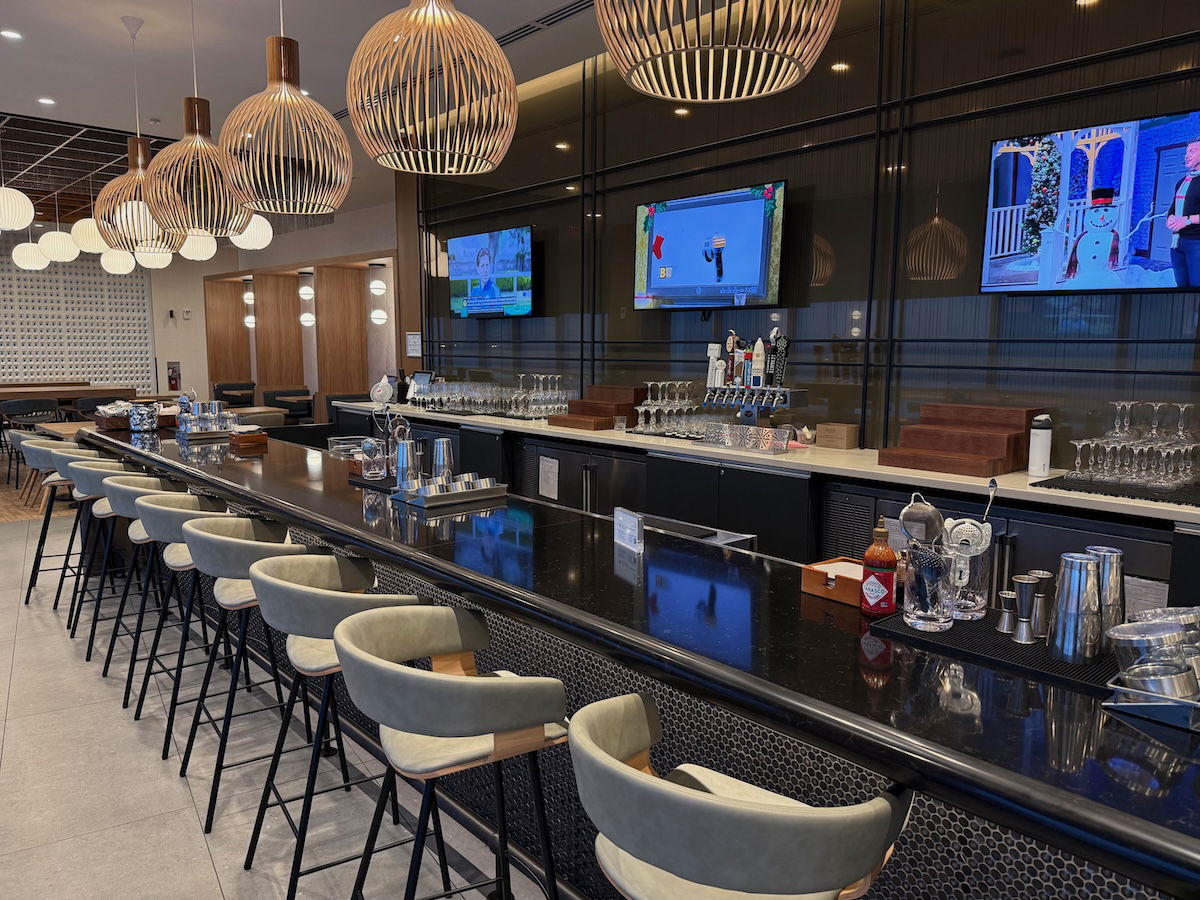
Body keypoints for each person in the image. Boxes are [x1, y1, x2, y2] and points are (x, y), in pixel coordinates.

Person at [1167, 139, 1200, 288]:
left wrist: (1186, 220)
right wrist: (1170, 218)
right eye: (1186, 152)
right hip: (1177, 243)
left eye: (1192, 151)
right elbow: (1173, 208)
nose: (1186, 155)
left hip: (1197, 243)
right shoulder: (1182, 182)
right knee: (1181, 286)